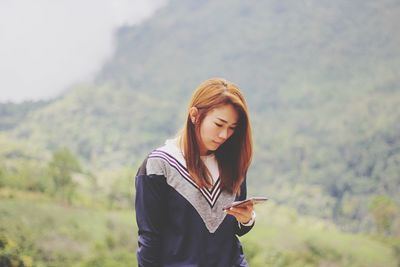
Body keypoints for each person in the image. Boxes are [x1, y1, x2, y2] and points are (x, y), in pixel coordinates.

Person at [135, 78, 256, 267]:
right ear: (194, 115)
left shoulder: (233, 162)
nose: (224, 135)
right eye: (219, 124)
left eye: (232, 128)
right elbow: (149, 238)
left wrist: (247, 219)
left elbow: (232, 230)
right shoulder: (159, 165)